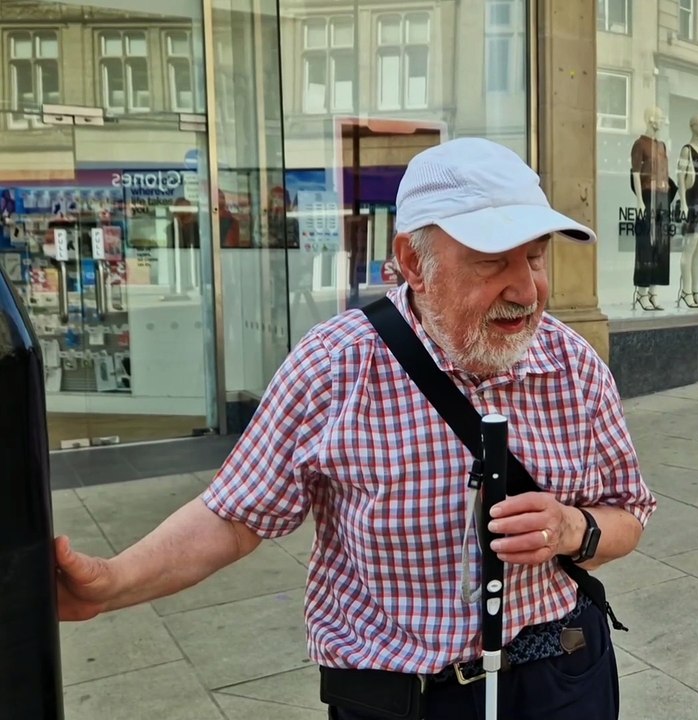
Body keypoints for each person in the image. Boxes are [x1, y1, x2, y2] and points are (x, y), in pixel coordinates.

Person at [52, 138, 658, 720]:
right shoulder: (336, 364)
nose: (526, 290)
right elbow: (234, 516)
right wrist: (112, 583)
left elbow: (628, 512)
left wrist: (573, 528)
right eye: (492, 261)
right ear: (414, 263)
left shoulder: (574, 365)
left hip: (558, 677)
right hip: (400, 696)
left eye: (535, 255)